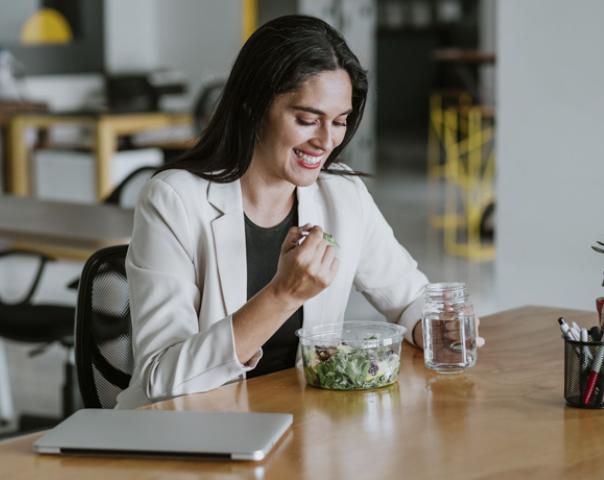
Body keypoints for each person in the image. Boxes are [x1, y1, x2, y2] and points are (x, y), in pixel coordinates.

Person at [117, 15, 436, 409]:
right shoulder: (173, 200)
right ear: (254, 105)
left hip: (302, 426)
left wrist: (438, 329)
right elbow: (161, 379)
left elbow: (410, 299)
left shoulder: (343, 193)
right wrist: (282, 295)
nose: (326, 141)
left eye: (339, 122)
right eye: (306, 120)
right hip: (193, 435)